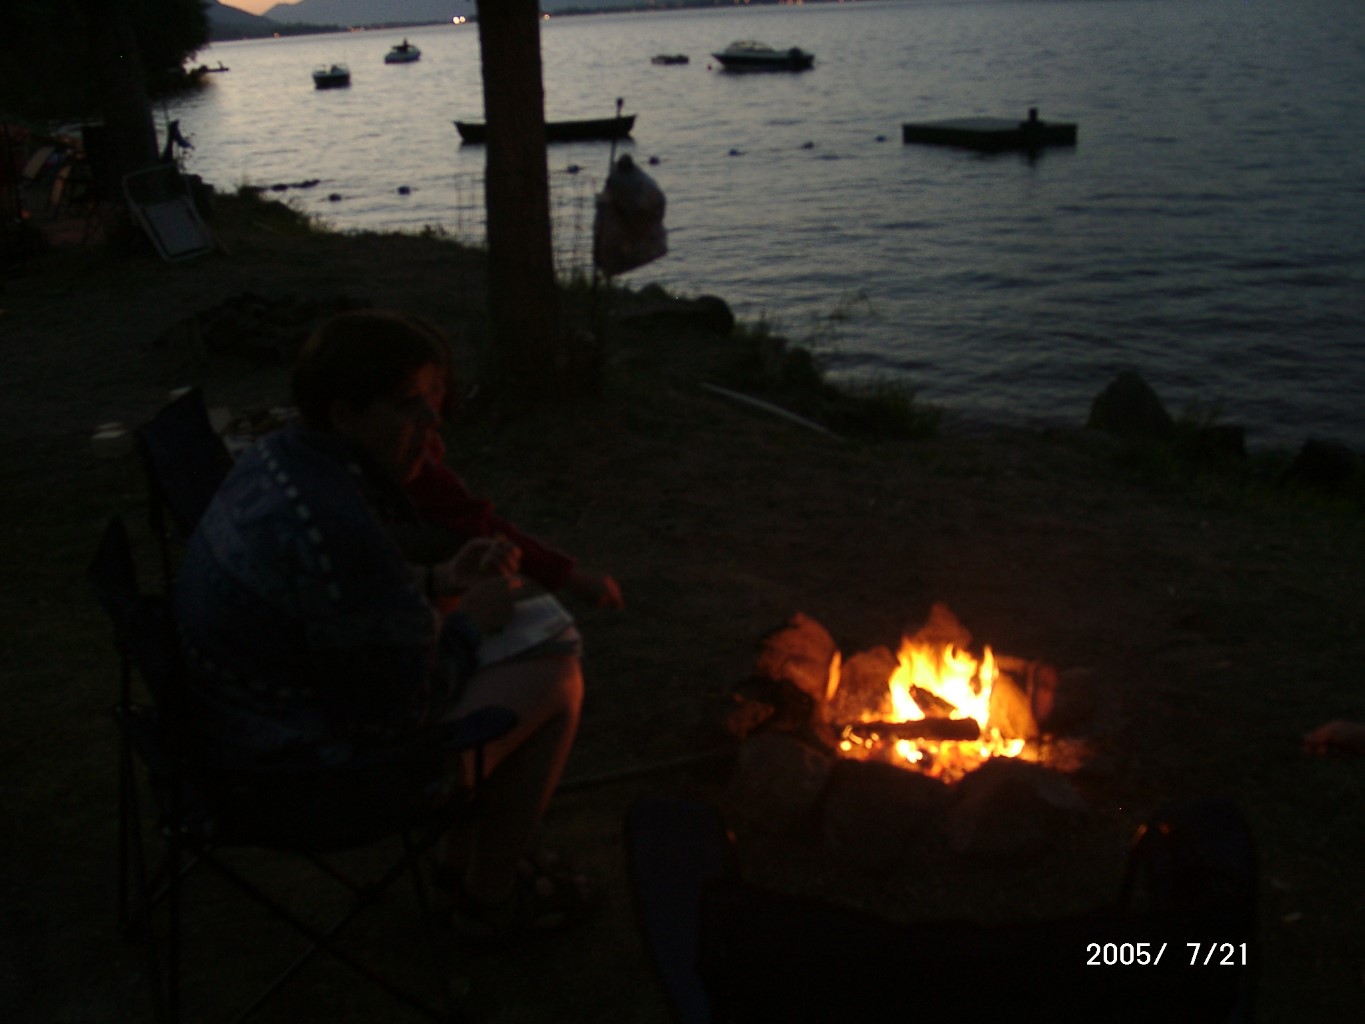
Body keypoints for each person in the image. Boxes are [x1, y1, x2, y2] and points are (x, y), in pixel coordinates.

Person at [175, 309, 594, 941]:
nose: (433, 421)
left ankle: (462, 870)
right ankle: (488, 903)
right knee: (557, 675)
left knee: (530, 644)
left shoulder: (278, 458)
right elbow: (395, 709)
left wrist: (437, 583)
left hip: (230, 723)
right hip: (298, 778)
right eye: (407, 405)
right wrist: (468, 624)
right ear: (345, 414)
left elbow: (328, 609)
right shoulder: (338, 524)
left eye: (433, 398)